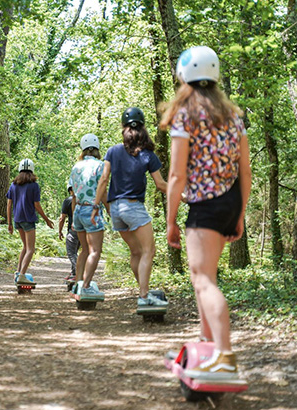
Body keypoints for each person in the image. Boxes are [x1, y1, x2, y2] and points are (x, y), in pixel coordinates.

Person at [160, 45, 252, 380]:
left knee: (203, 280)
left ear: (184, 76)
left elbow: (176, 175)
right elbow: (246, 171)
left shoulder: (186, 114)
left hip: (204, 204)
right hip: (229, 201)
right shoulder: (232, 116)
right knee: (206, 279)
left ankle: (225, 355)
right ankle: (209, 346)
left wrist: (170, 221)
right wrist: (239, 214)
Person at [92, 108, 169, 311]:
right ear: (142, 128)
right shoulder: (148, 155)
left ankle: (143, 291)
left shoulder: (113, 151)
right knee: (148, 251)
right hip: (133, 207)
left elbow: (103, 180)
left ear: (123, 128)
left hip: (116, 211)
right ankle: (144, 296)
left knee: (136, 251)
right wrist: (183, 194)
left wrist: (95, 206)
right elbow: (161, 185)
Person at [69, 133, 109, 299]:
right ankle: (86, 287)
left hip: (78, 210)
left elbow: (73, 195)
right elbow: (103, 191)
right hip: (92, 210)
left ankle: (78, 284)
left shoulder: (76, 167)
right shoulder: (101, 166)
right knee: (95, 251)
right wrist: (110, 211)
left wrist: (73, 218)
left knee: (84, 250)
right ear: (97, 149)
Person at [6, 158, 55, 285]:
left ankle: (18, 272)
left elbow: (9, 205)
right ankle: (22, 274)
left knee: (25, 247)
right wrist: (47, 220)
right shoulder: (34, 185)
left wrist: (9, 223)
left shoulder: (13, 185)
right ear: (32, 170)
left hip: (17, 219)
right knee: (31, 249)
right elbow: (37, 205)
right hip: (28, 219)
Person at [58, 186, 80, 283]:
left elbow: (62, 218)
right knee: (75, 252)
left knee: (71, 253)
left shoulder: (67, 201)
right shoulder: (84, 199)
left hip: (73, 229)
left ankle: (78, 273)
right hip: (85, 229)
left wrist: (60, 231)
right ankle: (73, 273)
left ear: (70, 191)